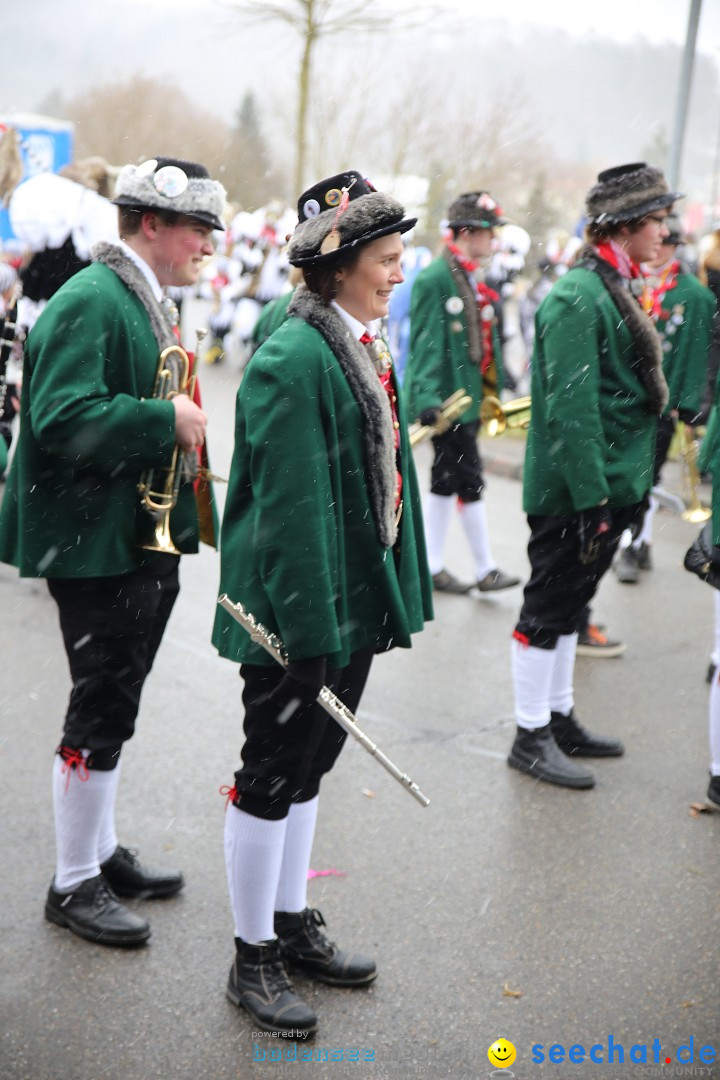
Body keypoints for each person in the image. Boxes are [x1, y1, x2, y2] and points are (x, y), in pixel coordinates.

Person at [212, 170, 433, 1036]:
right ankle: (250, 954)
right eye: (386, 257)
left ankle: (288, 921)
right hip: (298, 613)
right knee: (269, 775)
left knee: (310, 769)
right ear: (337, 266)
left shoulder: (361, 339)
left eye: (399, 254)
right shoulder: (294, 355)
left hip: (345, 604)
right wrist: (306, 635)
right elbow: (290, 509)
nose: (398, 272)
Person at [0, 156, 226, 946]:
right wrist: (165, 421)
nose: (209, 242)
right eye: (198, 226)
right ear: (152, 223)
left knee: (116, 698)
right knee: (99, 702)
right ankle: (72, 883)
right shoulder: (95, 297)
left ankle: (96, 850)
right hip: (95, 539)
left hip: (126, 532)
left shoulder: (142, 297)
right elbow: (59, 418)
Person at [508, 162, 680, 790]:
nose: (667, 232)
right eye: (659, 220)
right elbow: (571, 409)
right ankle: (529, 735)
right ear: (627, 225)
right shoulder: (578, 294)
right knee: (546, 608)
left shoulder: (616, 282)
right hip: (578, 487)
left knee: (573, 605)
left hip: (609, 483)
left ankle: (557, 718)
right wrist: (592, 499)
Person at [404, 192, 521, 595]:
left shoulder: (468, 274)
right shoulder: (437, 277)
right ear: (467, 233)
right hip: (446, 404)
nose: (495, 242)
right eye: (490, 233)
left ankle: (432, 566)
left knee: (446, 479)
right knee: (468, 479)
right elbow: (424, 345)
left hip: (465, 400)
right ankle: (484, 568)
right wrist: (425, 399)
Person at [615, 213, 716, 583]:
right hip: (626, 399)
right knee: (628, 475)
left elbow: (699, 355)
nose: (658, 250)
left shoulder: (694, 295)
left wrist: (689, 404)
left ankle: (634, 544)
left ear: (675, 247)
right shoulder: (629, 282)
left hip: (662, 404)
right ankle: (632, 541)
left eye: (666, 243)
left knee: (645, 478)